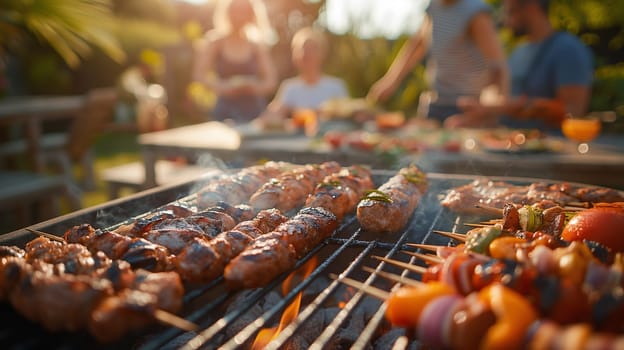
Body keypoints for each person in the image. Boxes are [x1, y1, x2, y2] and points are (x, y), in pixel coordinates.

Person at [445, 0, 594, 129]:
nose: (505, 20)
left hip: (550, 154)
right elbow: (506, 105)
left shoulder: (568, 49)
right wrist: (478, 118)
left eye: (511, 12)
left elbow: (573, 111)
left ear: (531, 7)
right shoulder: (519, 51)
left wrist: (500, 108)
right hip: (512, 148)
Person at [367, 0, 509, 124]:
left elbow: (497, 67)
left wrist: (489, 110)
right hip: (437, 103)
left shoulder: (475, 12)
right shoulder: (434, 6)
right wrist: (391, 81)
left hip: (467, 109)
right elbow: (419, 43)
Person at [192, 0, 277, 124]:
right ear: (227, 13)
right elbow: (199, 75)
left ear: (251, 15)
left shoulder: (257, 46)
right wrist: (222, 86)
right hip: (224, 111)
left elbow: (271, 82)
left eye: (244, 12)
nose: (239, 16)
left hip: (254, 112)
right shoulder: (215, 43)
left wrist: (252, 86)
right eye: (235, 11)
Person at [256, 27, 349, 129]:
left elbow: (347, 118)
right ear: (295, 56)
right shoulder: (289, 87)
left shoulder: (336, 87)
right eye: (302, 49)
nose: (306, 53)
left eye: (312, 48)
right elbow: (271, 116)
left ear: (322, 53)